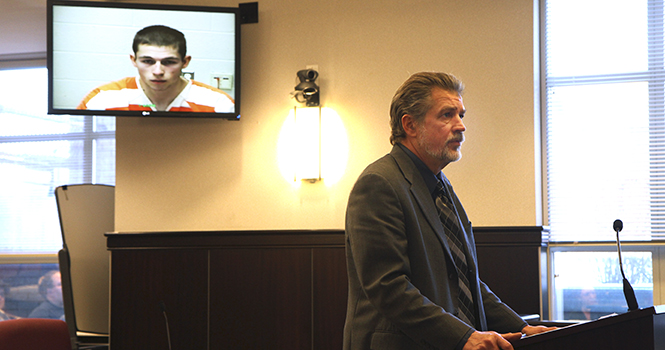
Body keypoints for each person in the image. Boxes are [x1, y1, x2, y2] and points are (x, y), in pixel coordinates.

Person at [343, 72, 555, 350]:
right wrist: (463, 336)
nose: (461, 126)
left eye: (461, 115)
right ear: (410, 125)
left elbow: (464, 282)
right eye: (447, 115)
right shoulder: (379, 184)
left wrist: (520, 327)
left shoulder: (442, 187)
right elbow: (389, 288)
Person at [78, 25, 234, 113]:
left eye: (169, 62)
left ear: (185, 62)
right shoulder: (101, 100)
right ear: (134, 60)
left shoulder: (219, 104)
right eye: (147, 61)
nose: (158, 71)